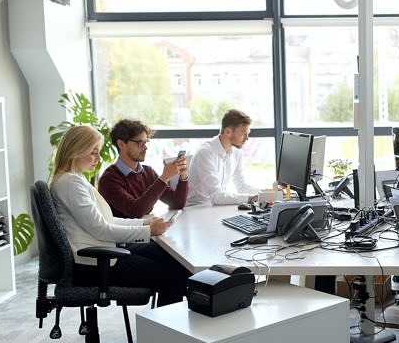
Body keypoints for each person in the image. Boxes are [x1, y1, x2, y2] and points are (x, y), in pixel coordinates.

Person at [50, 125, 190, 306]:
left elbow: (104, 221)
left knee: (172, 259)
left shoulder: (73, 179)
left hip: (101, 253)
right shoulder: (70, 183)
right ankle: (168, 332)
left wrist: (144, 225)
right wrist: (148, 231)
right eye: (93, 152)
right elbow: (102, 229)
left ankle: (170, 329)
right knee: (172, 276)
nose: (98, 158)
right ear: (76, 151)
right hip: (96, 263)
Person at [98, 119, 188, 218]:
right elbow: (135, 211)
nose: (145, 148)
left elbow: (176, 204)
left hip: (147, 230)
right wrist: (164, 178)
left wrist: (183, 177)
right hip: (125, 233)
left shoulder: (148, 172)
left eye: (146, 142)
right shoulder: (109, 180)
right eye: (140, 143)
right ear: (121, 144)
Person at [187, 109, 259, 206]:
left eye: (248, 133)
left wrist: (267, 193)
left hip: (217, 207)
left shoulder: (237, 152)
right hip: (197, 208)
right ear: (228, 131)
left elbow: (241, 186)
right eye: (243, 134)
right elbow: (216, 196)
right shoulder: (205, 153)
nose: (247, 138)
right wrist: (251, 198)